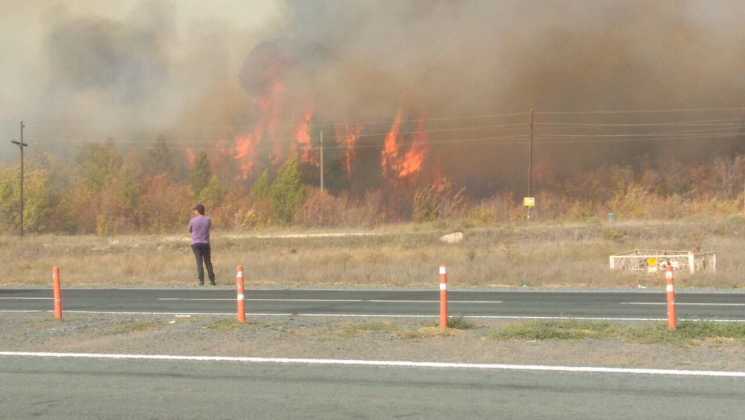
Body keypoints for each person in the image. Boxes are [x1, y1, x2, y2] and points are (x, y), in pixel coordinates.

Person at [188, 203, 216, 286]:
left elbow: (189, 230)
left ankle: (201, 281)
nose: (194, 212)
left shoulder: (193, 220)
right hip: (205, 243)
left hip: (196, 243)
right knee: (208, 262)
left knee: (199, 262)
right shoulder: (208, 219)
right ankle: (212, 280)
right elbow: (209, 227)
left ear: (197, 211)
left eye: (195, 210)